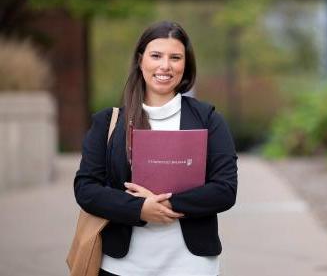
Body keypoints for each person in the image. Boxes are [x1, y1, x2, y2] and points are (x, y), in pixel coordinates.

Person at [74, 21, 238, 276]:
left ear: (186, 65)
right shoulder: (108, 122)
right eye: (156, 56)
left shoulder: (208, 119)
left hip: (191, 266)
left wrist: (167, 204)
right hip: (121, 266)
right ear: (141, 61)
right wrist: (139, 209)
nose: (165, 66)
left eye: (175, 57)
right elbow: (86, 189)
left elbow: (225, 189)